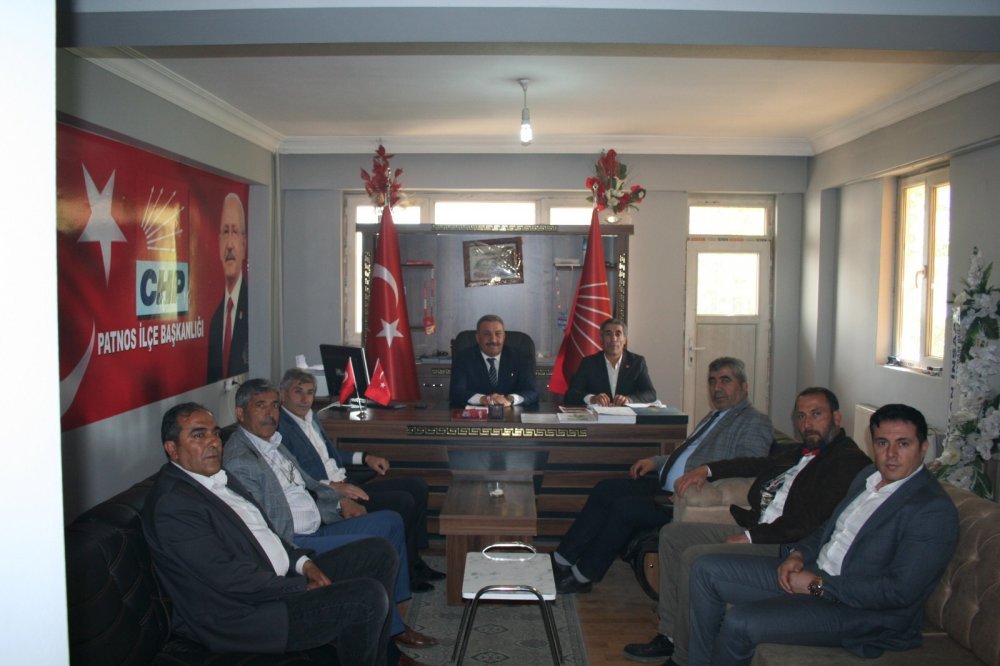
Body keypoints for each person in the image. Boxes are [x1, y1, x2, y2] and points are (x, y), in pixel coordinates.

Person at [687, 403, 959, 666]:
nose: (891, 454)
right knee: (705, 570)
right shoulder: (868, 476)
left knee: (740, 621)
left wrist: (816, 585)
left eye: (903, 443)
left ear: (923, 448)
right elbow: (829, 528)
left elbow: (898, 592)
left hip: (856, 611)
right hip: (816, 574)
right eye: (882, 443)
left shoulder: (931, 509)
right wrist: (798, 553)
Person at [624, 387, 871, 664]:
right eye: (801, 416)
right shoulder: (803, 451)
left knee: (696, 559)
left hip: (779, 542)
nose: (807, 424)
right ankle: (669, 635)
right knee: (672, 535)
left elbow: (812, 522)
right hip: (762, 529)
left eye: (816, 414)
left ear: (836, 418)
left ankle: (684, 657)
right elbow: (757, 463)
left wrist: (753, 537)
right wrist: (707, 470)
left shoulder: (846, 461)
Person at [142, 402, 398, 665]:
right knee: (366, 597)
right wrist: (299, 587)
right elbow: (227, 578)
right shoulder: (172, 505)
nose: (213, 442)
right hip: (248, 613)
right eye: (198, 435)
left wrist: (304, 563)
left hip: (277, 579)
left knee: (379, 552)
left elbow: (267, 533)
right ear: (172, 448)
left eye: (215, 433)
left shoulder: (219, 476)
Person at [223, 379, 436, 651]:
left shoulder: (273, 442)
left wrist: (338, 502)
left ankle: (396, 608)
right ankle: (392, 631)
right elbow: (264, 524)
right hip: (296, 541)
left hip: (320, 520)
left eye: (274, 405)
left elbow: (308, 484)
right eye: (260, 406)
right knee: (378, 548)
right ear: (240, 413)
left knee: (391, 522)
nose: (270, 413)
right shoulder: (240, 460)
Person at [553, 357, 773, 594]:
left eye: (725, 381)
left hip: (685, 498)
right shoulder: (715, 416)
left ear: (744, 386)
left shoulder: (755, 421)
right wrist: (655, 462)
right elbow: (689, 455)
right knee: (605, 489)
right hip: (665, 487)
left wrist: (705, 474)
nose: (717, 388)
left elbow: (749, 467)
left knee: (624, 508)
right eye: (712, 381)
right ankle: (561, 559)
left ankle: (583, 575)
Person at [277, 367, 445, 590]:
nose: (305, 399)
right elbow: (296, 476)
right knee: (403, 501)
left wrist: (364, 457)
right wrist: (337, 495)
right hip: (330, 496)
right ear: (282, 394)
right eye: (298, 392)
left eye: (310, 392)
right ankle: (407, 573)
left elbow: (328, 455)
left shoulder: (311, 417)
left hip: (347, 483)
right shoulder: (280, 428)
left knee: (417, 486)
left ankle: (414, 559)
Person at [449, 314, 539, 408]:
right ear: (478, 338)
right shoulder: (463, 358)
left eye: (498, 333)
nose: (493, 339)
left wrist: (509, 399)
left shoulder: (520, 358)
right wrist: (483, 399)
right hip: (475, 415)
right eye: (486, 334)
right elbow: (456, 392)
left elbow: (532, 392)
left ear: (504, 337)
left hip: (512, 415)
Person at [563, 317, 656, 406]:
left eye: (618, 334)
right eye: (608, 334)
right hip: (598, 416)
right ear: (601, 339)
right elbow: (571, 394)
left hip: (627, 416)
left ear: (625, 340)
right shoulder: (589, 363)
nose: (613, 339)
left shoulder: (637, 363)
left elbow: (650, 394)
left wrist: (629, 399)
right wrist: (592, 398)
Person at [207, 192, 249, 382]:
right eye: (225, 232)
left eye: (235, 232)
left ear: (244, 244)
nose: (230, 245)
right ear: (218, 244)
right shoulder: (215, 321)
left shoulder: (254, 309)